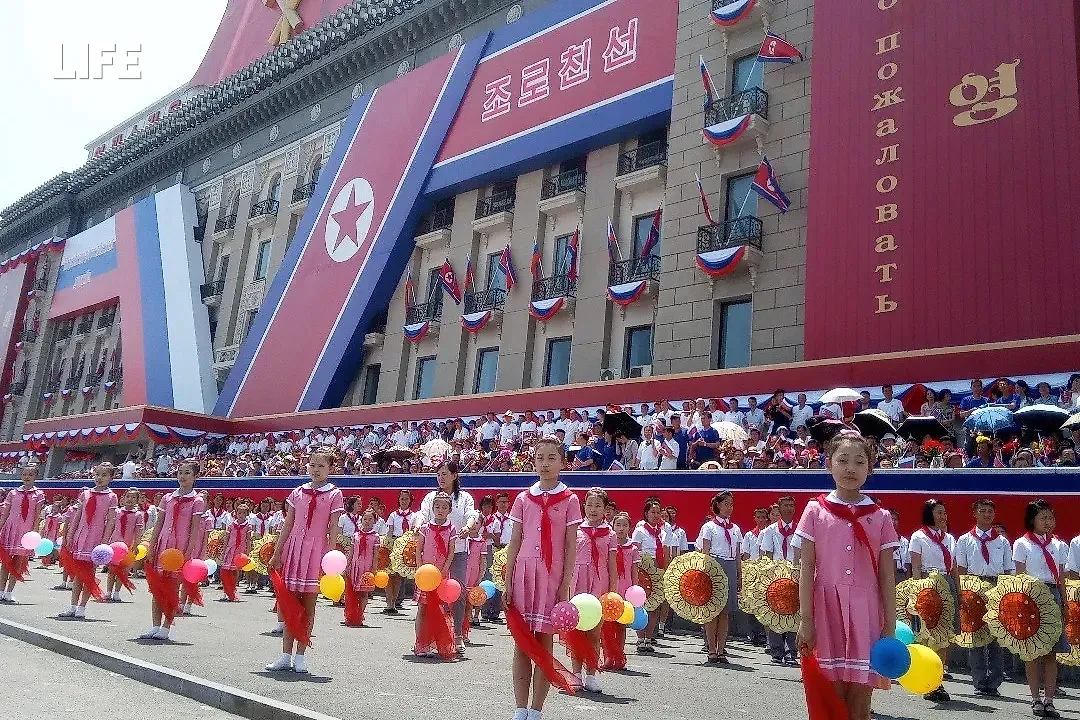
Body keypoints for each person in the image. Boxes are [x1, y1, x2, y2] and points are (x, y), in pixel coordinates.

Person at [795, 432, 899, 720]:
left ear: (870, 468)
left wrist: (889, 627)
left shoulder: (880, 516)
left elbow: (888, 578)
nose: (850, 468)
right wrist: (805, 621)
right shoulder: (816, 510)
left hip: (866, 615)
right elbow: (806, 568)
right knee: (831, 694)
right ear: (829, 464)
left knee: (861, 699)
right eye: (842, 460)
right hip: (826, 613)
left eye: (859, 462)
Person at [504, 435, 584, 719]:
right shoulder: (524, 498)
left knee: (544, 640)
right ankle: (519, 708)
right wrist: (508, 579)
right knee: (522, 643)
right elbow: (515, 541)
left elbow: (571, 545)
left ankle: (537, 709)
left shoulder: (571, 499)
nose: (545, 464)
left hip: (552, 576)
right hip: (524, 574)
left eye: (552, 458)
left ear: (562, 462)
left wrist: (565, 583)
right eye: (540, 458)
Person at [265, 449, 345, 673]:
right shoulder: (297, 492)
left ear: (330, 469)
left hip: (316, 552)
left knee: (308, 606)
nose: (316, 470)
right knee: (290, 605)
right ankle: (285, 655)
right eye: (312, 465)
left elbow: (333, 527)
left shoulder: (334, 494)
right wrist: (277, 553)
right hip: (294, 550)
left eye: (321, 466)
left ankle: (301, 655)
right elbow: (288, 525)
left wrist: (329, 561)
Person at [1012, 499, 1069, 718]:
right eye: (1043, 517)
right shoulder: (1022, 544)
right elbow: (1020, 576)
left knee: (1052, 652)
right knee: (1032, 651)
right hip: (1031, 598)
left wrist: (1064, 601)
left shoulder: (1059, 545)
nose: (1048, 521)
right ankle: (1035, 699)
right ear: (1032, 520)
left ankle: (1050, 700)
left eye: (1050, 517)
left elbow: (1061, 577)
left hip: (1053, 595)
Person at [954, 498, 1014, 698]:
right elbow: (961, 569)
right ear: (975, 514)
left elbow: (1008, 570)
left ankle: (995, 682)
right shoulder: (964, 540)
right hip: (973, 586)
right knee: (976, 635)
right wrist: (962, 593)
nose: (987, 514)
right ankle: (979, 682)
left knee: (996, 636)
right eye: (983, 511)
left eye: (990, 511)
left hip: (997, 585)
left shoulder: (1002, 541)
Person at [420, 460, 479, 656]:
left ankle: (458, 635)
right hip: (434, 555)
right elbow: (422, 516)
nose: (441, 477)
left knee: (458, 592)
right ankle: (431, 638)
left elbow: (472, 515)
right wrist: (416, 527)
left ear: (455, 476)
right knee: (431, 596)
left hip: (458, 550)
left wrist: (468, 527)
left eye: (445, 473)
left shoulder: (464, 498)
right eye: (439, 474)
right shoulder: (430, 498)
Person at [142, 461, 206, 640]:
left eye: (187, 473)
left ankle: (166, 626)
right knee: (156, 587)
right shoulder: (167, 498)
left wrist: (188, 552)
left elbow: (195, 530)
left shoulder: (197, 501)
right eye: (180, 472)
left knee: (172, 587)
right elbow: (159, 523)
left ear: (195, 477)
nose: (182, 476)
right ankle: (155, 625)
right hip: (163, 544)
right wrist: (151, 545)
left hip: (180, 547)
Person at [908, 499, 956, 702]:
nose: (943, 517)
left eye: (945, 513)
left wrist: (958, 593)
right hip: (927, 585)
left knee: (944, 637)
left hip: (947, 584)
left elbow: (953, 569)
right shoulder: (918, 537)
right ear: (929, 514)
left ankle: (938, 680)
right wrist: (918, 593)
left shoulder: (950, 539)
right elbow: (916, 568)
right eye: (939, 513)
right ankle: (927, 682)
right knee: (927, 637)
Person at [568, 487, 616, 692]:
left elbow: (613, 565)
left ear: (606, 509)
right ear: (584, 506)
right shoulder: (576, 531)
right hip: (578, 582)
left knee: (594, 632)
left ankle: (591, 674)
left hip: (599, 583)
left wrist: (613, 592)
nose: (593, 509)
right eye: (590, 505)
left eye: (598, 505)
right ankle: (575, 674)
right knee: (576, 631)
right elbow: (568, 560)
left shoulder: (611, 534)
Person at [60, 462, 117, 619]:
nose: (99, 478)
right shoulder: (85, 494)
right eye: (97, 474)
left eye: (104, 475)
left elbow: (110, 521)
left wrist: (104, 543)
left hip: (96, 538)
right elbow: (77, 517)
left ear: (111, 478)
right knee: (78, 574)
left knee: (89, 574)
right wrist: (71, 534)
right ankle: (72, 606)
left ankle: (82, 608)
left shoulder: (111, 497)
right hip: (81, 536)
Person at [699, 491, 741, 664]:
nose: (729, 507)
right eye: (726, 504)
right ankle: (711, 649)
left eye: (731, 504)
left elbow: (738, 553)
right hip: (714, 566)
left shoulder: (736, 528)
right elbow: (705, 551)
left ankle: (722, 648)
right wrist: (705, 573)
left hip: (730, 566)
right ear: (718, 505)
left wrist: (739, 573)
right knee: (712, 611)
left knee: (725, 612)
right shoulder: (709, 527)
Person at [759, 495, 800, 665]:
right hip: (776, 577)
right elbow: (767, 554)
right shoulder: (770, 531)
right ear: (779, 509)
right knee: (774, 613)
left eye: (791, 505)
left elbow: (803, 554)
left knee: (793, 614)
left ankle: (792, 651)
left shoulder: (800, 529)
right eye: (786, 505)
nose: (789, 508)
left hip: (794, 576)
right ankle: (776, 651)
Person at [0, 464, 46, 602]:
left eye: (30, 475)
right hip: (10, 529)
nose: (27, 477)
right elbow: (5, 513)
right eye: (24, 474)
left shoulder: (38, 494)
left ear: (35, 477)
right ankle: (1, 590)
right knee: (6, 563)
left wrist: (36, 532)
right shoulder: (13, 493)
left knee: (18, 563)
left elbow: (37, 515)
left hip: (26, 533)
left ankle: (9, 592)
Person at [605, 511, 639, 671]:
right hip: (610, 587)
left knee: (621, 624)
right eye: (618, 525)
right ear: (613, 526)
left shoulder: (632, 548)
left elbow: (634, 571)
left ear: (629, 528)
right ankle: (608, 656)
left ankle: (619, 656)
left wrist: (636, 591)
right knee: (607, 625)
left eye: (624, 525)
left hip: (625, 589)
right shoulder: (607, 544)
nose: (621, 528)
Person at [632, 498, 667, 651]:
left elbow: (666, 551)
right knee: (640, 603)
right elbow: (635, 551)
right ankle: (640, 638)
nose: (655, 515)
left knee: (655, 604)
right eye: (652, 512)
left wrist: (664, 569)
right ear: (646, 513)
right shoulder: (640, 530)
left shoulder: (664, 531)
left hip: (658, 567)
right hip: (643, 568)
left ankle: (649, 638)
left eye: (658, 512)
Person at [106, 488, 145, 602]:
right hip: (114, 544)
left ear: (137, 500)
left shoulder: (138, 515)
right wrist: (107, 541)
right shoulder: (117, 512)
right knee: (112, 570)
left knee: (123, 571)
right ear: (123, 498)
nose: (130, 499)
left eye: (133, 498)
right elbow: (111, 526)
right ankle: (108, 592)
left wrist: (136, 544)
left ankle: (117, 592)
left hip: (128, 545)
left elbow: (138, 530)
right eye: (128, 497)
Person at [345, 507, 379, 627]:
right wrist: (347, 565)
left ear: (375, 521)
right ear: (361, 520)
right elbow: (351, 552)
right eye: (365, 519)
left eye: (370, 519)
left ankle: (359, 615)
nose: (367, 521)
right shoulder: (356, 535)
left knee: (364, 593)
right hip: (355, 567)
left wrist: (373, 570)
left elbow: (375, 555)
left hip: (367, 568)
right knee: (352, 593)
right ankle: (350, 615)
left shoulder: (375, 537)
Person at [385, 489, 414, 614]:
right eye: (402, 499)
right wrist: (387, 546)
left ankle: (395, 602)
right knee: (389, 575)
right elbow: (390, 531)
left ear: (410, 500)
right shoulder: (393, 515)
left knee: (398, 576)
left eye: (406, 499)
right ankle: (388, 602)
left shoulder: (414, 516)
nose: (404, 501)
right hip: (395, 544)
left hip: (406, 545)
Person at [220, 501, 253, 602]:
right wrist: (224, 550)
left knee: (235, 572)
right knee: (226, 571)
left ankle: (232, 591)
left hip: (240, 550)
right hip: (231, 549)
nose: (241, 515)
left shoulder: (248, 526)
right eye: (239, 513)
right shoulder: (231, 525)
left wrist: (247, 552)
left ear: (247, 514)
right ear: (236, 513)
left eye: (244, 513)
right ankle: (225, 592)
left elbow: (248, 540)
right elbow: (227, 538)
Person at [889, 509, 910, 582]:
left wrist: (908, 581)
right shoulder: (882, 540)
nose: (893, 522)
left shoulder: (904, 541)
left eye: (896, 519)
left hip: (902, 575)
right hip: (888, 575)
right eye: (891, 519)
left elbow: (907, 563)